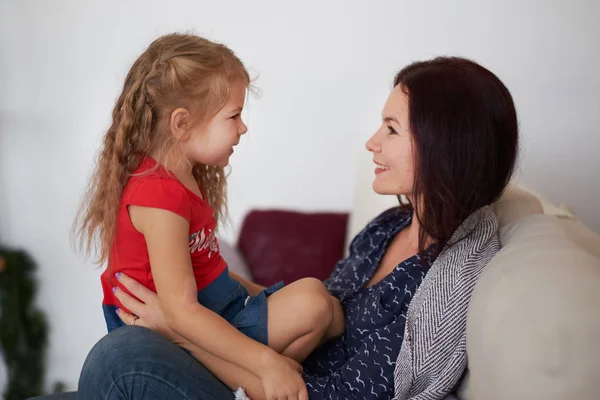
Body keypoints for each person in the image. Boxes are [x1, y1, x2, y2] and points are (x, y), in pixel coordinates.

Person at [72, 56, 518, 400]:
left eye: (392, 129)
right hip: (253, 367)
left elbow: (332, 393)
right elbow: (302, 319)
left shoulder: (442, 285)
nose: (372, 142)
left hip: (273, 388)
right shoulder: (388, 225)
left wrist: (176, 332)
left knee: (119, 360)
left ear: (445, 146)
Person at [73, 33, 345, 400]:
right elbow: (181, 312)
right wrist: (266, 361)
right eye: (234, 115)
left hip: (215, 310)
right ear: (181, 124)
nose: (243, 127)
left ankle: (253, 380)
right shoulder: (158, 195)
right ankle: (257, 382)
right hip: (176, 330)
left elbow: (208, 266)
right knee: (314, 301)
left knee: (323, 306)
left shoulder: (182, 176)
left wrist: (263, 295)